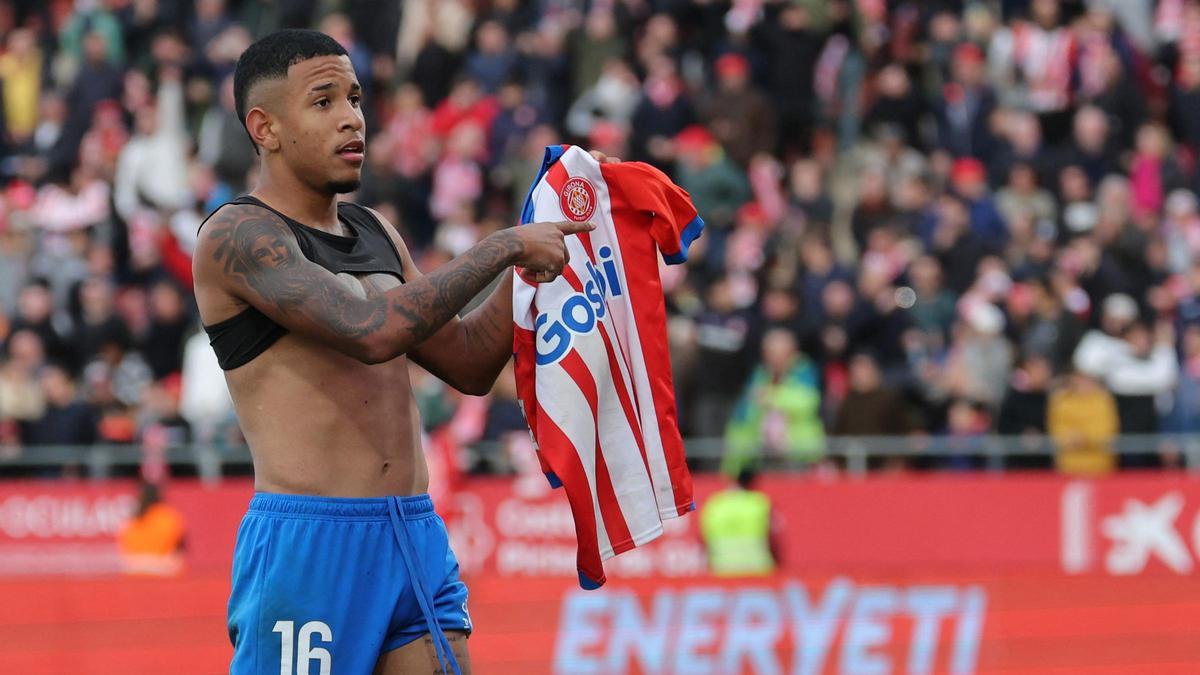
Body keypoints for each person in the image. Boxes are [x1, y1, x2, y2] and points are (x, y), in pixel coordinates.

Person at [191, 31, 606, 675]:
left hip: (411, 529)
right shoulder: (236, 234)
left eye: (355, 98)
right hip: (309, 545)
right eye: (324, 101)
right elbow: (370, 330)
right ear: (264, 128)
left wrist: (536, 250)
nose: (353, 116)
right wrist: (504, 246)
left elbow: (468, 362)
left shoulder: (375, 230)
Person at [700, 466, 779, 577]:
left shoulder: (714, 504)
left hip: (722, 569)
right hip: (757, 569)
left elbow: (704, 541)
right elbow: (773, 540)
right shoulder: (761, 503)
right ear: (753, 482)